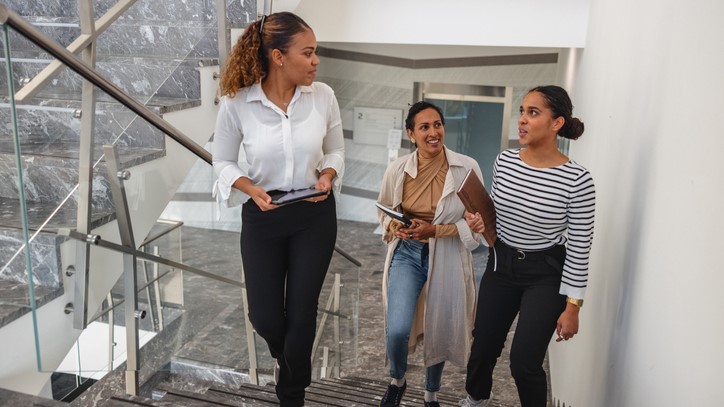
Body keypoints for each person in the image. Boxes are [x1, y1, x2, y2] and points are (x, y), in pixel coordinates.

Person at [211, 12, 344, 407]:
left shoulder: (323, 96)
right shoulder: (237, 102)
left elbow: (335, 148)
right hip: (263, 215)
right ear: (278, 56)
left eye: (315, 52)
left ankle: (292, 394)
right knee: (266, 317)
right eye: (308, 52)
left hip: (314, 213)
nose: (316, 61)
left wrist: (328, 174)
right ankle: (286, 363)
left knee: (301, 313)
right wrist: (249, 188)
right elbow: (222, 161)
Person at [459, 86, 595, 407]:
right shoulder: (504, 161)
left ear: (556, 123)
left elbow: (578, 247)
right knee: (483, 347)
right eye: (522, 111)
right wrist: (478, 223)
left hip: (545, 274)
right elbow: (494, 215)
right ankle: (475, 399)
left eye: (533, 113)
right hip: (501, 265)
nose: (522, 120)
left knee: (524, 362)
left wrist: (572, 307)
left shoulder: (578, 180)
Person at [376, 101, 484, 407]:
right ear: (411, 134)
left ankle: (431, 394)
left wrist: (436, 231)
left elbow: (478, 223)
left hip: (448, 254)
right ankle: (397, 380)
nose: (433, 132)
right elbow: (383, 208)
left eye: (437, 125)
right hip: (408, 253)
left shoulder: (467, 168)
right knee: (397, 328)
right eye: (424, 127)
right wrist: (394, 225)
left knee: (441, 328)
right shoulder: (398, 169)